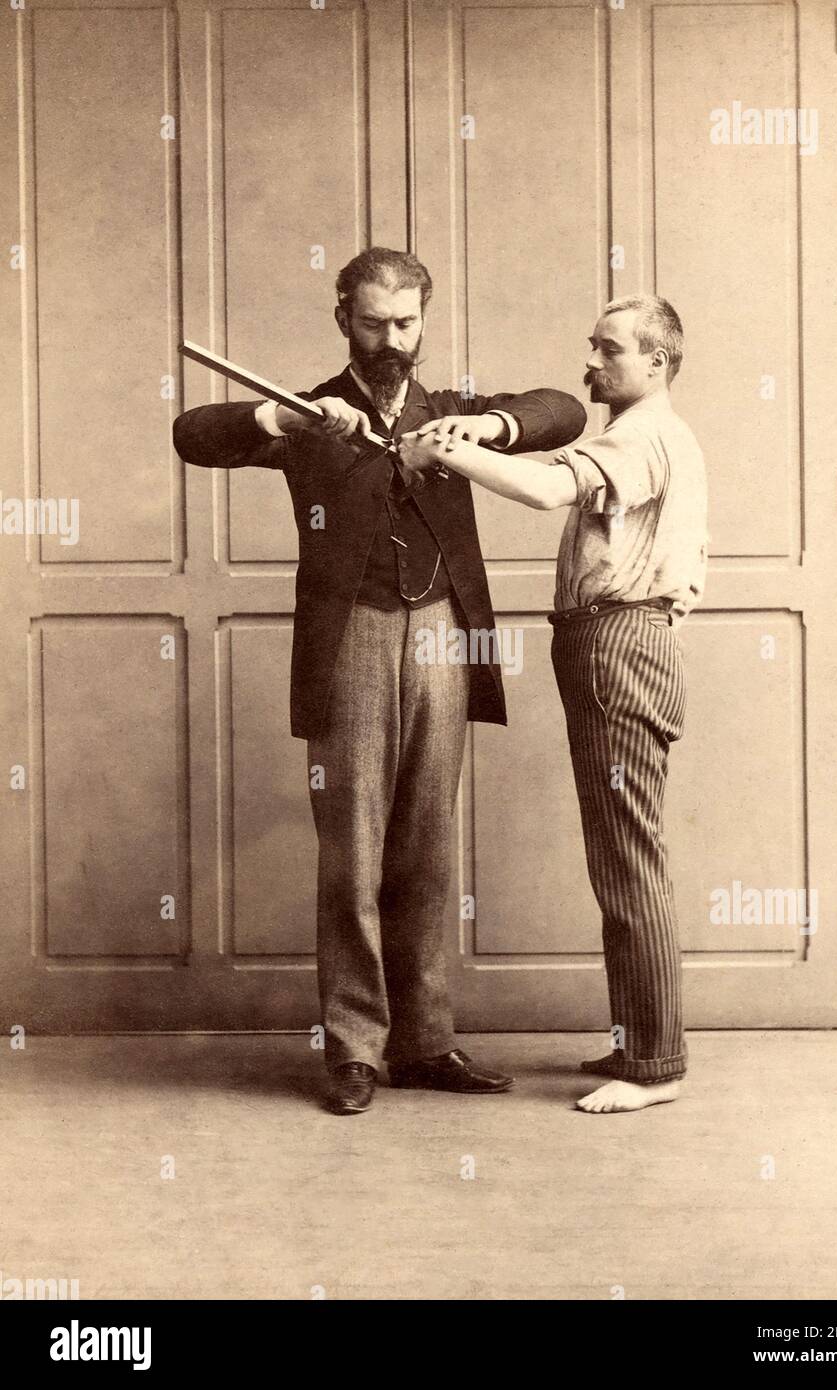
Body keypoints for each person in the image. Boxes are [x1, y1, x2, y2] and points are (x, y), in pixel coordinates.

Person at [173, 248, 587, 1115]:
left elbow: (563, 410)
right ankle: (354, 1049)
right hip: (352, 642)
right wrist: (285, 423)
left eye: (405, 323)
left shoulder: (453, 411)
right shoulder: (310, 415)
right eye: (373, 323)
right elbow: (194, 434)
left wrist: (491, 431)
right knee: (351, 857)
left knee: (428, 851)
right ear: (343, 320)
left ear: (424, 322)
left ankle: (425, 1043)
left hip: (443, 639)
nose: (391, 339)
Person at [400, 295, 707, 1115]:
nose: (592, 363)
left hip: (620, 643)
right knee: (617, 853)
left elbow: (541, 492)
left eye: (609, 350)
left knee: (628, 857)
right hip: (605, 641)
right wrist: (474, 438)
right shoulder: (637, 433)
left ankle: (656, 1065)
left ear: (656, 363)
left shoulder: (645, 437)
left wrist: (444, 449)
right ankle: (637, 1036)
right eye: (594, 345)